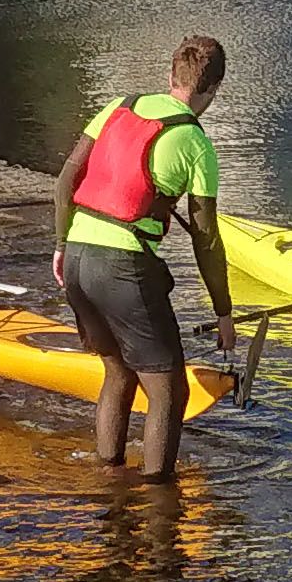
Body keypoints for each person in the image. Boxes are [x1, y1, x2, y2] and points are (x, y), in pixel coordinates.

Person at [48, 36, 235, 479]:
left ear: (170, 77)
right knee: (168, 389)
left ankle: (108, 474)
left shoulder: (119, 105)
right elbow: (206, 239)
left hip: (77, 257)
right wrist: (224, 312)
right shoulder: (195, 143)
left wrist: (61, 246)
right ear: (214, 90)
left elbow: (63, 183)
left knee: (118, 373)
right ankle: (158, 503)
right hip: (122, 267)